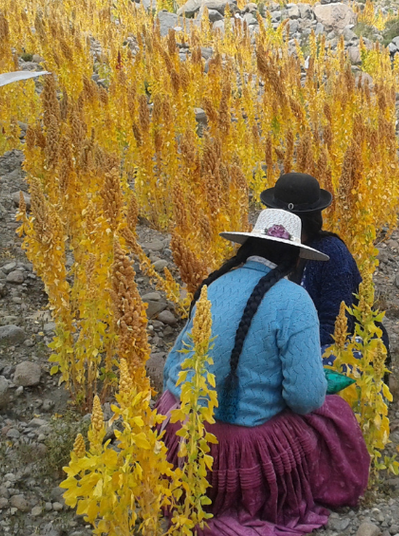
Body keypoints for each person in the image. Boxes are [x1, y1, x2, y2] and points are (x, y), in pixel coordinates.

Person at [156, 208, 370, 535]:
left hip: (178, 432)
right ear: (296, 258)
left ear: (248, 248)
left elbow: (172, 365)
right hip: (237, 452)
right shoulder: (295, 300)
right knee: (333, 412)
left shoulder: (215, 284)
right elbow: (305, 398)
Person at [260, 173, 390, 366]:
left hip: (346, 354)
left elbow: (336, 326)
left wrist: (285, 353)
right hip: (293, 349)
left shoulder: (331, 254)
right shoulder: (273, 249)